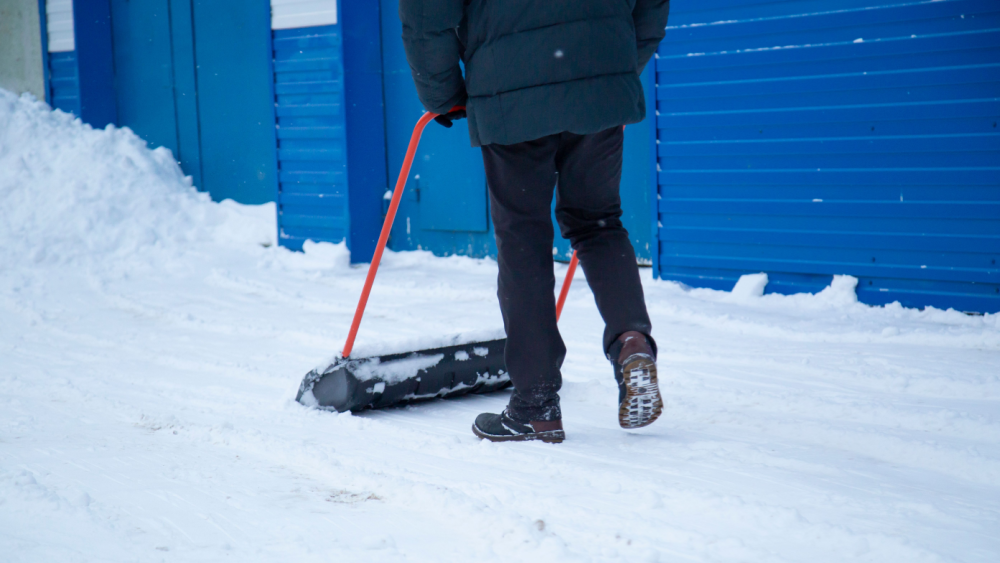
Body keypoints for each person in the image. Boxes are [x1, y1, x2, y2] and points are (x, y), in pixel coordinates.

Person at [400, 0, 671, 443]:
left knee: (523, 236)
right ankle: (631, 342)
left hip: (509, 89)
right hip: (600, 82)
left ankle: (536, 404)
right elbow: (651, 9)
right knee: (597, 221)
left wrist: (444, 94)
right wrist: (611, 71)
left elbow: (427, 15)